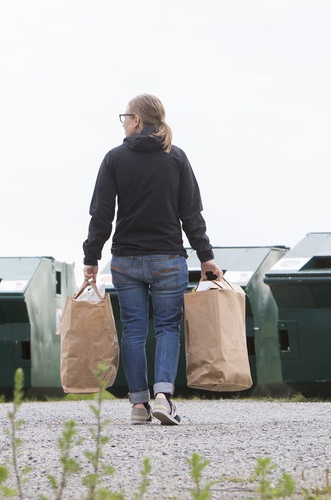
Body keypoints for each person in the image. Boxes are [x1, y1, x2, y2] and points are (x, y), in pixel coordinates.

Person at [82, 94, 222, 426]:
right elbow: (191, 214)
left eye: (125, 116)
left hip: (126, 260)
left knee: (133, 330)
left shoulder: (115, 159)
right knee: (167, 327)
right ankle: (163, 397)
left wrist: (91, 257)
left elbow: (101, 214)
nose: (123, 122)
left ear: (136, 119)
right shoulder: (176, 158)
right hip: (167, 258)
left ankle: (138, 406)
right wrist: (206, 257)